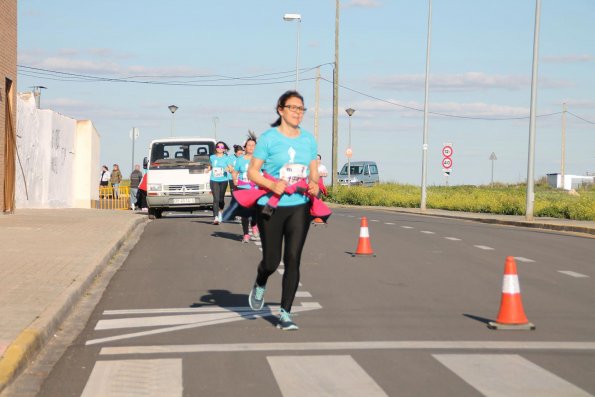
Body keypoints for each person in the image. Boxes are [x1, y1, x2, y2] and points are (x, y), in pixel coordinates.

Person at [247, 90, 319, 331]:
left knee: (293, 259)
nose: (298, 112)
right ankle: (260, 280)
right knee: (271, 261)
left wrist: (314, 185)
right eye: (293, 108)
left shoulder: (308, 140)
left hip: (299, 206)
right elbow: (252, 172)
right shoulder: (268, 139)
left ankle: (285, 313)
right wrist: (271, 184)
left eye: (301, 109)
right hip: (271, 206)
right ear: (280, 110)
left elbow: (314, 173)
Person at [233, 134, 259, 243]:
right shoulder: (240, 159)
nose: (251, 147)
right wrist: (235, 179)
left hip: (256, 188)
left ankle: (254, 225)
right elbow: (235, 172)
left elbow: (267, 171)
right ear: (245, 147)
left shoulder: (260, 159)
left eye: (253, 145)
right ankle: (246, 234)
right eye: (249, 145)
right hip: (243, 187)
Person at [209, 141, 233, 224]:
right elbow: (210, 166)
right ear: (216, 148)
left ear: (224, 149)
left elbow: (231, 169)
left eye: (222, 147)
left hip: (223, 180)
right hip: (214, 180)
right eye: (218, 146)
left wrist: (228, 169)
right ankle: (215, 217)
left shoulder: (227, 158)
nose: (220, 148)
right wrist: (207, 169)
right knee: (216, 199)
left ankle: (220, 213)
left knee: (221, 199)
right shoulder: (212, 157)